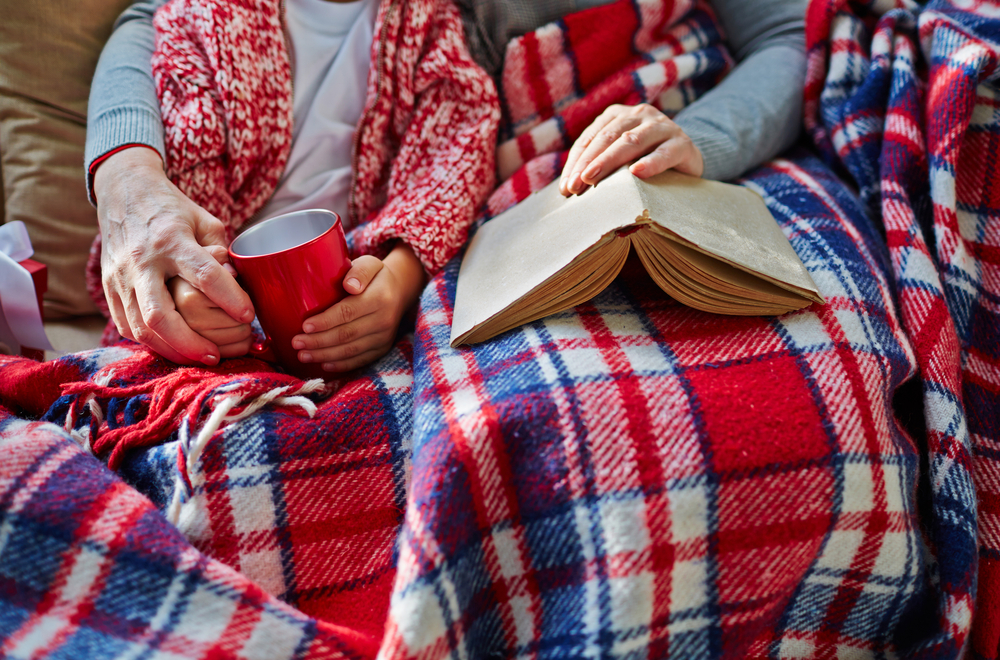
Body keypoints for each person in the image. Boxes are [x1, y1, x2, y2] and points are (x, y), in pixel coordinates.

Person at [87, 0, 806, 373]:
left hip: (701, 141)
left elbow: (792, 37)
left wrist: (701, 140)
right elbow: (158, 19)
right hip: (521, 198)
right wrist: (127, 174)